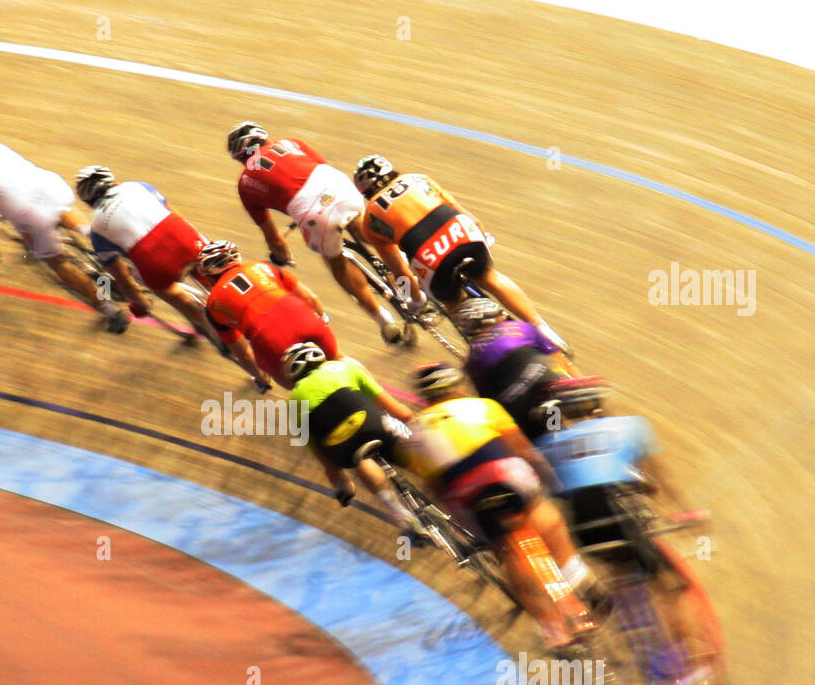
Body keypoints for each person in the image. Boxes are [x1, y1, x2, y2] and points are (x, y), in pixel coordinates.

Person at [530, 378, 715, 685]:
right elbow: (659, 480)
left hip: (584, 530)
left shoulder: (549, 444)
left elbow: (556, 490)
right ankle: (677, 676)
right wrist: (685, 514)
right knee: (670, 587)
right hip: (619, 517)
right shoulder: (629, 427)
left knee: (622, 579)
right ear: (597, 405)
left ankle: (634, 659)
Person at [397, 362, 604, 646]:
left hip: (467, 492)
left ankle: (554, 631)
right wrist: (548, 479)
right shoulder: (482, 406)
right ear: (457, 387)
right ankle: (579, 577)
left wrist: (467, 525)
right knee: (544, 515)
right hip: (507, 474)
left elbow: (434, 488)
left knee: (506, 551)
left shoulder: (414, 433)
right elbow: (522, 449)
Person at [352, 154, 571, 354]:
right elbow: (464, 212)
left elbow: (399, 270)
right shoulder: (419, 178)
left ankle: (493, 352)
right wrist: (483, 235)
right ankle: (543, 329)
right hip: (464, 233)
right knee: (489, 276)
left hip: (431, 259)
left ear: (364, 191)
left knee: (453, 303)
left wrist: (416, 300)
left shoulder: (370, 218)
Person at [0, 133, 129, 333]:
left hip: (32, 216)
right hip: (51, 186)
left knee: (57, 262)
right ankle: (109, 244)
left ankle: (110, 309)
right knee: (65, 213)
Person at [226, 122, 404, 345]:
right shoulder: (290, 142)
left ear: (241, 158)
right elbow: (322, 169)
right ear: (264, 139)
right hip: (340, 188)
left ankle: (384, 320)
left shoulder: (245, 184)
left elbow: (274, 238)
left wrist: (282, 257)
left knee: (336, 264)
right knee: (364, 228)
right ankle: (406, 270)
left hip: (315, 214)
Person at [74, 166, 260, 365]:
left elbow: (121, 277)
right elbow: (177, 215)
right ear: (113, 182)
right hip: (189, 242)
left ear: (88, 202)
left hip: (158, 267)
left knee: (165, 288)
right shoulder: (138, 186)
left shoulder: (96, 230)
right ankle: (247, 303)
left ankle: (205, 323)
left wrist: (139, 303)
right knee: (218, 278)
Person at [281, 343, 426, 540]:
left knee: (361, 458)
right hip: (374, 426)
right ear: (320, 357)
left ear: (293, 375)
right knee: (414, 453)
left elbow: (324, 460)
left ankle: (398, 512)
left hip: (342, 449)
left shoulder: (293, 402)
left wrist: (342, 485)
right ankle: (437, 478)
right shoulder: (345, 368)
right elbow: (400, 412)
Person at [198, 240, 342, 392]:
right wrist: (322, 318)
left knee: (302, 391)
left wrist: (261, 378)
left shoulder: (213, 305)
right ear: (236, 258)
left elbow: (244, 354)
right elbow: (310, 297)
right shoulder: (263, 266)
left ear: (209, 276)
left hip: (269, 340)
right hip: (302, 317)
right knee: (340, 360)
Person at [457, 297, 577, 438]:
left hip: (516, 397)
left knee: (536, 435)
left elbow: (490, 403)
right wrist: (579, 382)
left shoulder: (471, 360)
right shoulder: (522, 327)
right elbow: (559, 358)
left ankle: (553, 435)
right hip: (546, 374)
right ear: (499, 318)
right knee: (575, 404)